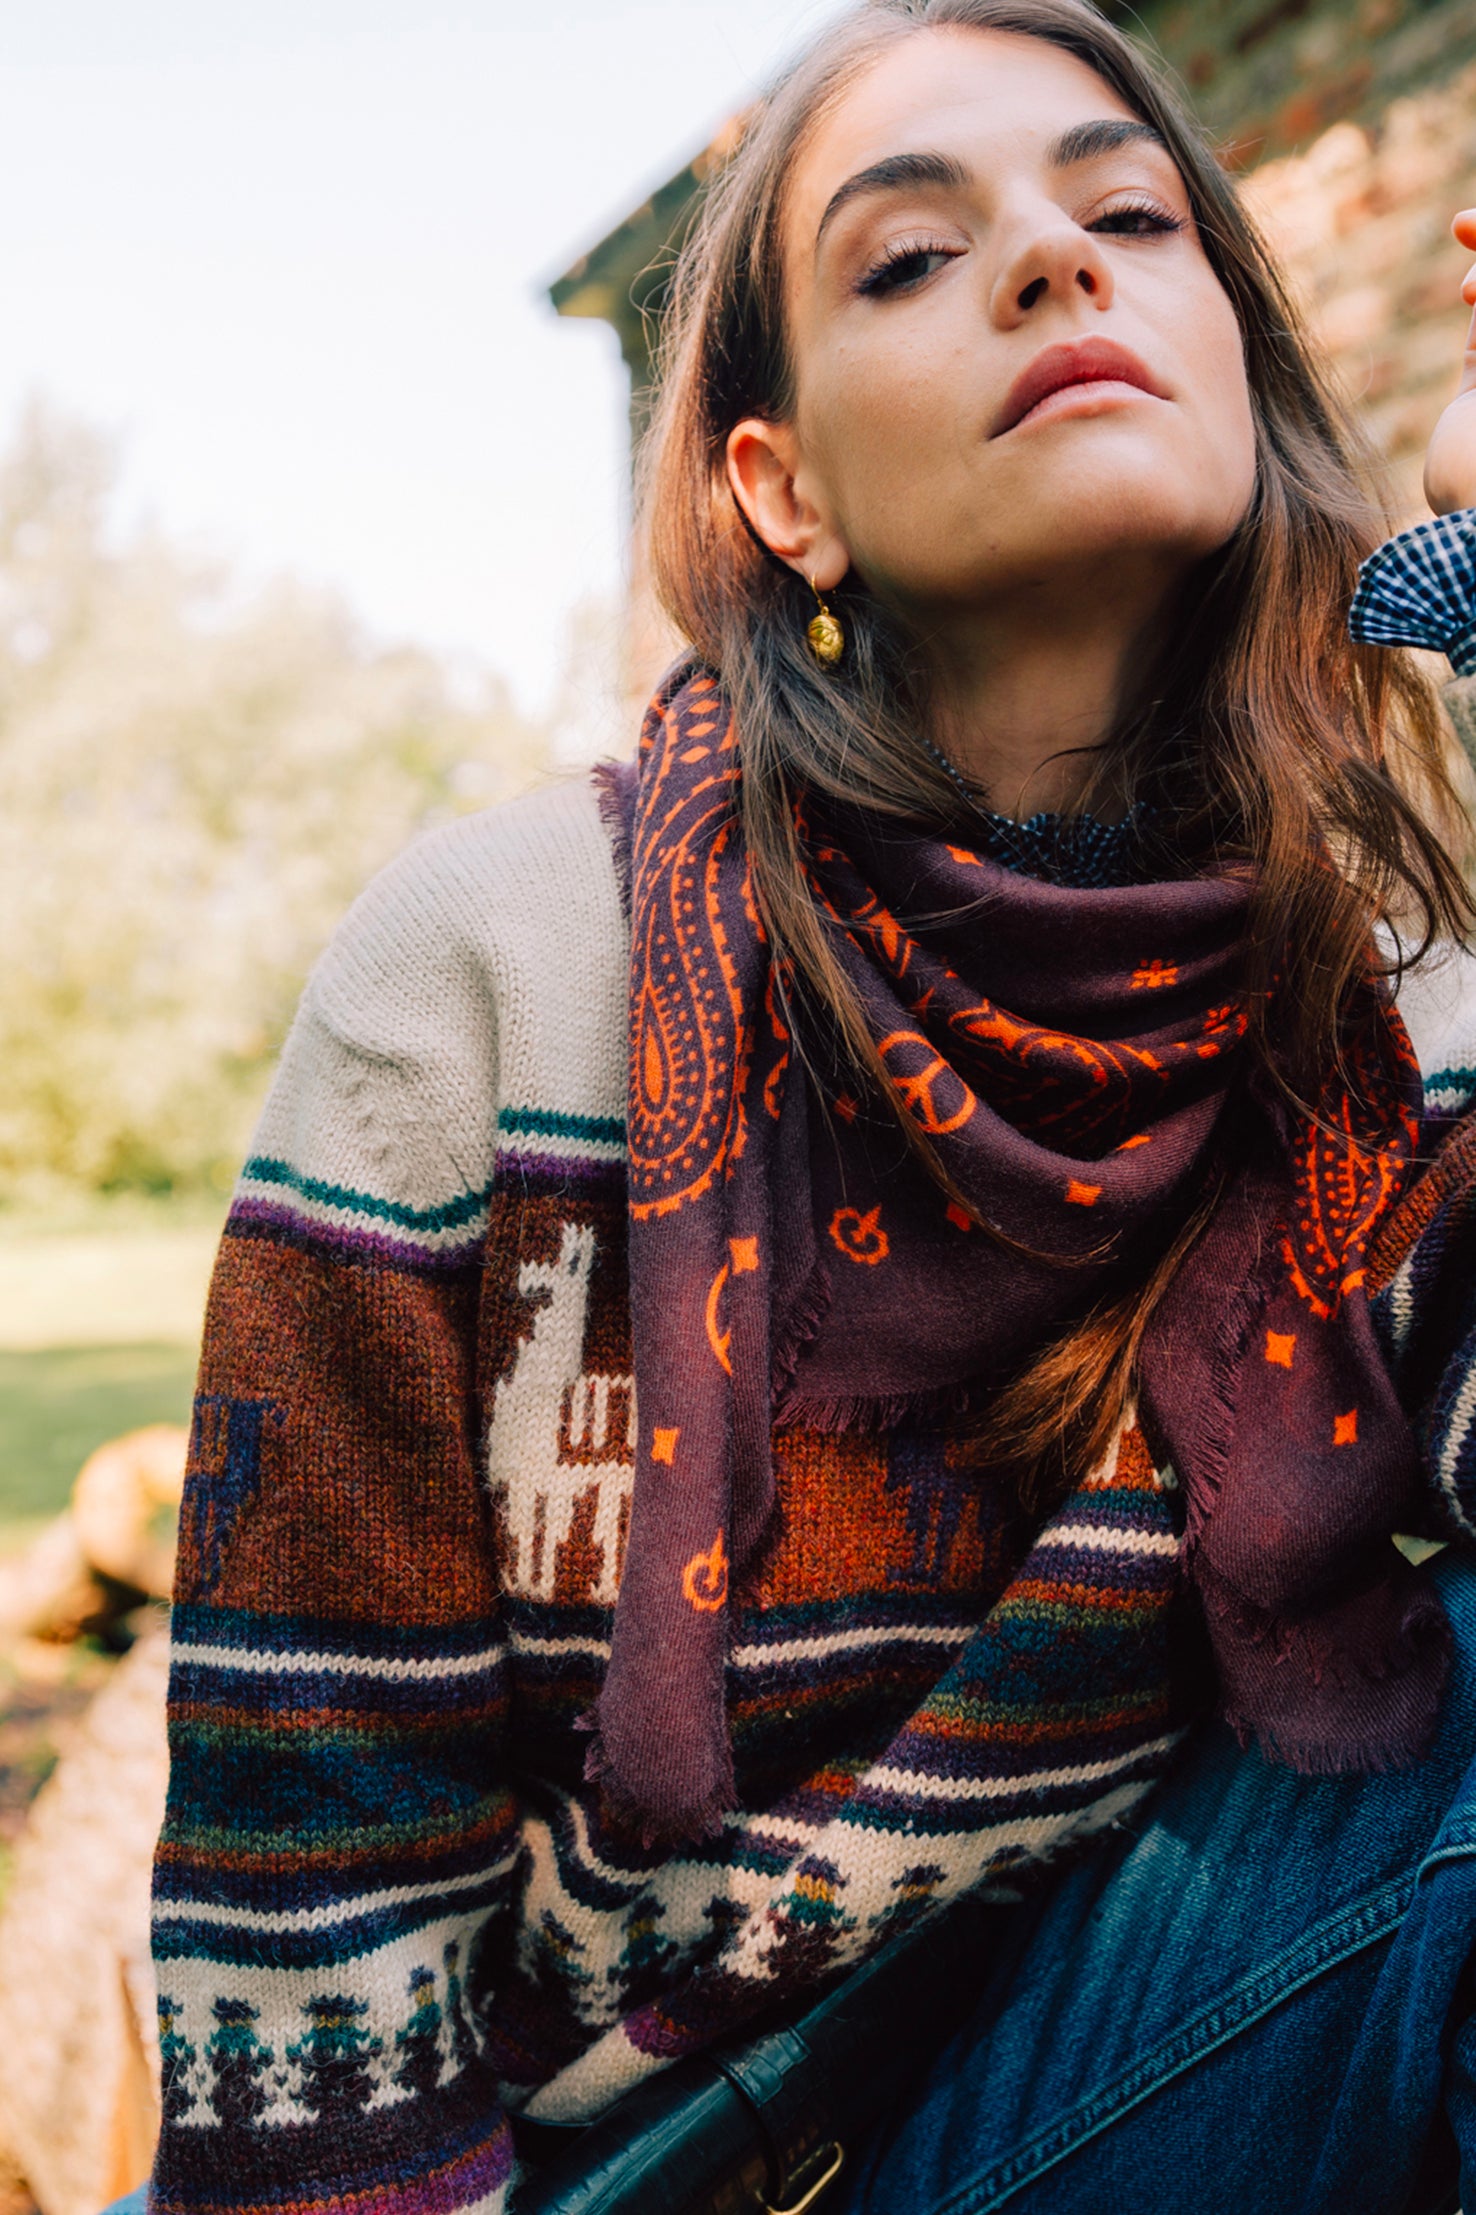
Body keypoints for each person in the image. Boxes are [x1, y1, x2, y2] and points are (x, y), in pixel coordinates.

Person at [139, 3, 1476, 2210]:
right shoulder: (491, 974)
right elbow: (314, 1901)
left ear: (1240, 350)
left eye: (1129, 213)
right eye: (909, 260)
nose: (1054, 261)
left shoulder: (1371, 995)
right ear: (783, 490)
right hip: (653, 2155)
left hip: (1115, 2052)